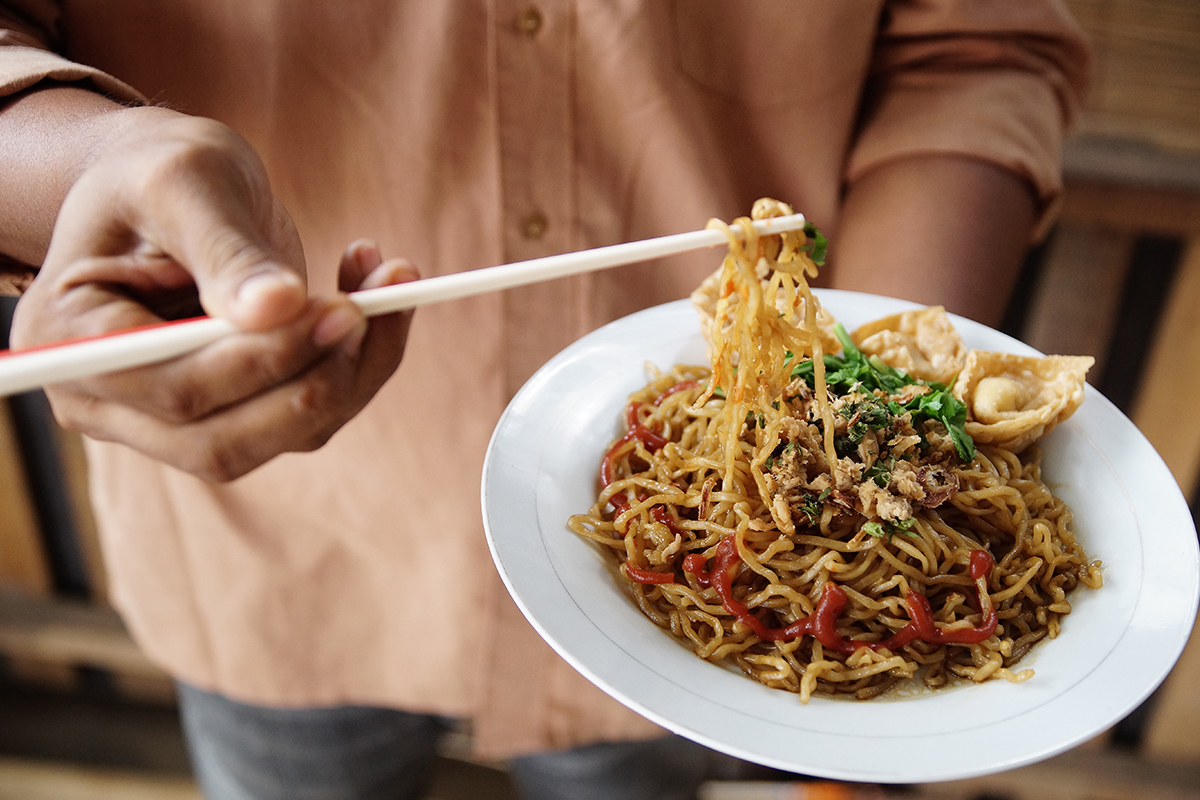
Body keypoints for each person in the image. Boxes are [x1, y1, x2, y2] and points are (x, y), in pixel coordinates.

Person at [0, 2, 1091, 798]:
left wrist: (878, 393)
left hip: (696, 615)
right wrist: (95, 159)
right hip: (288, 551)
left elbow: (974, 51)